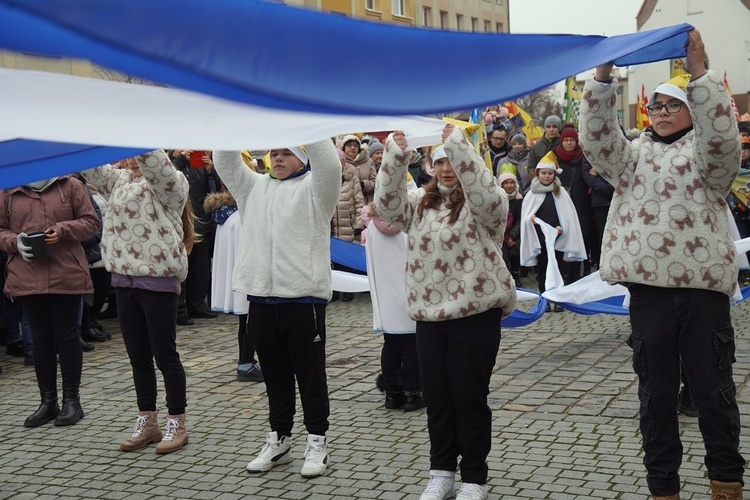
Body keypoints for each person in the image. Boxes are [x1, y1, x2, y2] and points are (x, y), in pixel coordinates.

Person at [580, 29, 744, 499]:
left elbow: (723, 139)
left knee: (713, 393)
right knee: (655, 397)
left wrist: (699, 72)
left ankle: (726, 484)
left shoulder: (710, 159)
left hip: (703, 294)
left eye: (675, 106)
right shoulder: (630, 159)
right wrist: (603, 75)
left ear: (692, 110)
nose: (664, 114)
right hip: (649, 294)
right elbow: (596, 138)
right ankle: (663, 488)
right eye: (657, 107)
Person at [375, 125, 516, 500]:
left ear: (467, 163)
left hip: (475, 314)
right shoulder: (419, 202)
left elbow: (487, 194)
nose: (446, 168)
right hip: (429, 318)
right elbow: (386, 206)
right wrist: (394, 155)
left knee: (468, 397)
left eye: (453, 161)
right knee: (437, 398)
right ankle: (441, 473)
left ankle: (474, 476)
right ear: (431, 167)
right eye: (439, 162)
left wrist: (458, 145)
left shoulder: (486, 203)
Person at [214, 139, 340, 479]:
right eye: (276, 153)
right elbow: (224, 159)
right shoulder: (253, 187)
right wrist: (236, 119)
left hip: (303, 299)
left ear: (301, 159)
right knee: (275, 377)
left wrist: (303, 125)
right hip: (261, 300)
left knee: (310, 378)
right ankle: (280, 437)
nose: (279, 158)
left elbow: (329, 163)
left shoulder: (316, 189)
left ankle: (317, 441)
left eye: (288, 153)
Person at [82, 151, 192, 454]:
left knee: (165, 356)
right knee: (138, 358)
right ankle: (148, 420)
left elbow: (156, 167)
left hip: (157, 280)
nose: (129, 158)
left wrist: (137, 135)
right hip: (123, 279)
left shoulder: (171, 182)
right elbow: (89, 166)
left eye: (133, 152)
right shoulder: (117, 181)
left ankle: (176, 422)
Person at [0, 174, 99, 428]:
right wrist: (16, 242)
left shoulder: (71, 184)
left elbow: (91, 222)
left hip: (65, 271)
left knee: (67, 335)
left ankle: (72, 401)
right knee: (41, 338)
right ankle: (47, 401)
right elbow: (1, 230)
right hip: (27, 274)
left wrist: (62, 230)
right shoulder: (9, 189)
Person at [361, 201, 425, 412]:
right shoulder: (407, 224)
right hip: (408, 293)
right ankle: (412, 394)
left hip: (385, 294)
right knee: (410, 346)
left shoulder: (371, 227)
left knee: (391, 345)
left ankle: (392, 394)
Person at [203, 190, 263, 382]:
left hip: (240, 278)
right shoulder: (239, 217)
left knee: (247, 320)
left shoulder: (229, 214)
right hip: (248, 278)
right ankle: (245, 363)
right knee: (251, 320)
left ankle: (246, 361)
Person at [519, 152, 586, 305]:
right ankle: (545, 296)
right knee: (543, 266)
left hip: (558, 236)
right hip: (541, 237)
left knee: (560, 265)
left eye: (550, 173)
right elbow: (527, 215)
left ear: (554, 174)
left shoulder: (561, 193)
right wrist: (531, 220)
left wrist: (561, 227)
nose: (547, 176)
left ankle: (559, 297)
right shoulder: (531, 194)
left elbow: (567, 215)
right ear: (538, 174)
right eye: (544, 173)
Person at [172, 149, 221, 322]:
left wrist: (210, 170)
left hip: (201, 222)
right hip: (179, 224)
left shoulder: (199, 164)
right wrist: (180, 160)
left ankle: (197, 306)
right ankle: (179, 311)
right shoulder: (170, 162)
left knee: (201, 270)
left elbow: (219, 190)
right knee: (182, 269)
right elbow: (168, 181)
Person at [553, 126, 592, 283]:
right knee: (562, 240)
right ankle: (563, 275)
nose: (569, 143)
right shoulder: (555, 159)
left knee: (578, 240)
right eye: (566, 140)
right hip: (560, 206)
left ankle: (576, 275)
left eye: (572, 140)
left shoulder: (583, 157)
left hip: (580, 206)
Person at [497, 173, 523, 288]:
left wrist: (512, 236)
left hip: (515, 233)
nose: (509, 186)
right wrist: (504, 236)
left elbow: (520, 219)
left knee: (515, 252)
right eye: (506, 183)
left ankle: (516, 276)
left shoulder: (519, 199)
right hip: (501, 234)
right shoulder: (497, 199)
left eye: (511, 182)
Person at [342, 134, 377, 205]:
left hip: (366, 203)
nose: (352, 148)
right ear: (344, 148)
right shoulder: (340, 163)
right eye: (349, 145)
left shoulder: (368, 161)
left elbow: (376, 183)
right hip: (347, 205)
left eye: (355, 146)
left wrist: (364, 185)